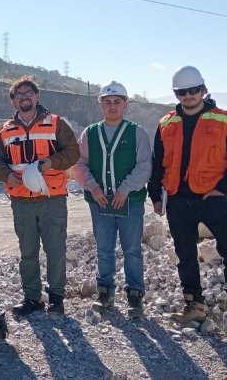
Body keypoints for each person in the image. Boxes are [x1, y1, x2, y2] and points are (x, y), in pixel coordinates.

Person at [148, 66, 227, 328]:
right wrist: (156, 196)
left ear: (203, 90)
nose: (188, 96)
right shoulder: (166, 123)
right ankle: (194, 305)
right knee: (185, 254)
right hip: (178, 199)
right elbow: (158, 162)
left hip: (213, 198)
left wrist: (224, 187)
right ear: (177, 94)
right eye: (182, 92)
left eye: (193, 90)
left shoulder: (225, 120)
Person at [0, 75, 79, 316]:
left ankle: (56, 299)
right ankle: (32, 298)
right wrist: (6, 175)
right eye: (19, 95)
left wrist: (52, 162)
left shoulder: (56, 123)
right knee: (27, 251)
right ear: (13, 101)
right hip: (21, 200)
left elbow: (73, 152)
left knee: (55, 250)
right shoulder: (7, 131)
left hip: (52, 198)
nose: (25, 98)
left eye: (29, 93)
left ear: (37, 97)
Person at [73, 81, 151, 318]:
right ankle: (105, 292)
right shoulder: (90, 133)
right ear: (101, 105)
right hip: (100, 202)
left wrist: (125, 189)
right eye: (107, 102)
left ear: (125, 105)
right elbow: (80, 163)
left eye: (117, 101)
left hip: (130, 202)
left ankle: (135, 296)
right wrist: (94, 188)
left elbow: (145, 165)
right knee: (104, 249)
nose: (112, 106)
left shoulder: (136, 132)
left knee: (132, 249)